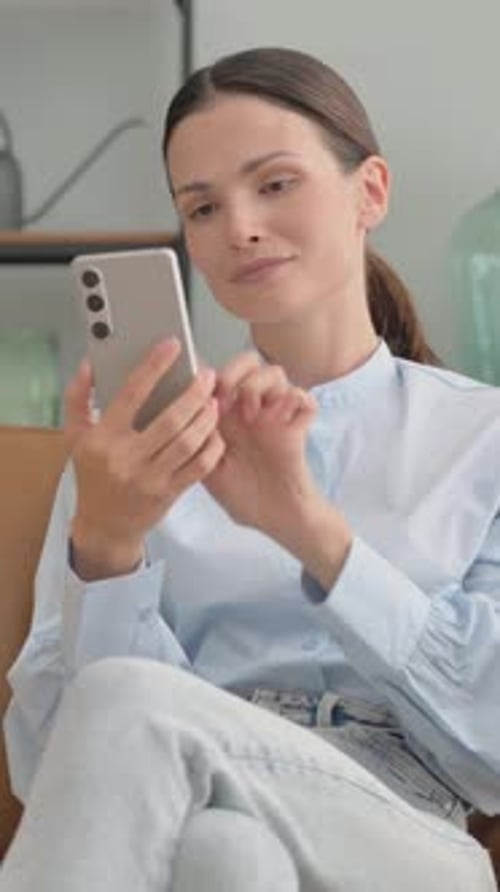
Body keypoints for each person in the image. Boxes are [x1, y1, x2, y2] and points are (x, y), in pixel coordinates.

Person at [1, 46, 499, 892]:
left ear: (369, 191)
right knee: (224, 858)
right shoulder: (132, 455)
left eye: (274, 184)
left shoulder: (482, 435)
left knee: (127, 700)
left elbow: (489, 743)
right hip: (191, 809)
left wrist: (310, 532)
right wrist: (110, 546)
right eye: (201, 207)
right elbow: (56, 770)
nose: (238, 228)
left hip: (407, 831)